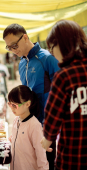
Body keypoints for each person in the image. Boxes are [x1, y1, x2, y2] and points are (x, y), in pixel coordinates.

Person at [3, 23, 60, 170]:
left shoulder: (47, 59)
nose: (12, 50)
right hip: (29, 125)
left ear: (25, 37)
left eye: (14, 45)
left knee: (46, 164)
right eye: (9, 47)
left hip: (47, 127)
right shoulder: (22, 64)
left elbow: (62, 93)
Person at [41, 20, 87, 170]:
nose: (52, 53)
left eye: (51, 48)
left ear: (61, 44)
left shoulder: (65, 76)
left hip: (73, 157)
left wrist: (47, 139)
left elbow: (52, 116)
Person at [8, 85, 49, 170]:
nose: (11, 108)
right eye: (10, 104)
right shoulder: (16, 120)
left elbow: (41, 155)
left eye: (14, 105)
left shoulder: (34, 125)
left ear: (27, 104)